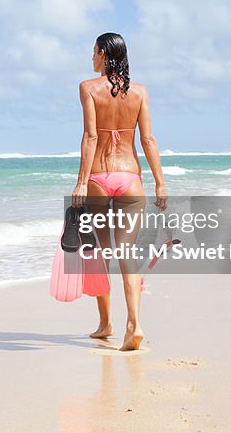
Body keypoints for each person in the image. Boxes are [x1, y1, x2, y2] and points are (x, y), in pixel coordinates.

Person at [71, 32, 167, 351]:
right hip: (130, 178)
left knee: (99, 253)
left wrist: (82, 181)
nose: (91, 57)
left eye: (93, 52)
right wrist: (160, 183)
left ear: (102, 53)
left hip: (99, 176)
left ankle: (105, 323)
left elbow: (90, 137)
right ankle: (134, 325)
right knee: (126, 252)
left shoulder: (88, 88)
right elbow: (148, 140)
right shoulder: (139, 92)